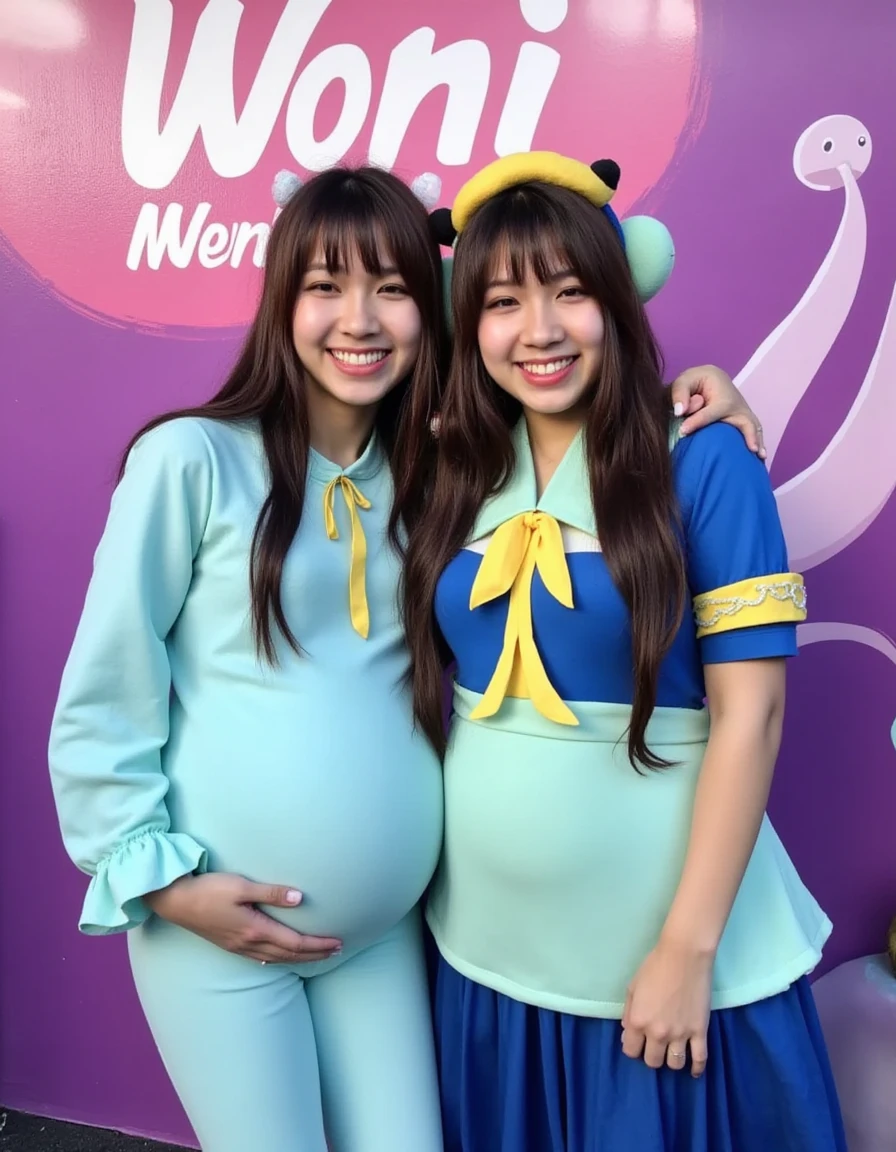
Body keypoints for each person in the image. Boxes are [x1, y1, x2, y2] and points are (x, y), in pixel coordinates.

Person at [48, 160, 761, 1152]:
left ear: (433, 311)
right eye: (324, 286)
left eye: (391, 287)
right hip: (219, 930)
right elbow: (103, 696)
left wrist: (706, 392)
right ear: (280, 300)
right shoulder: (191, 461)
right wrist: (162, 886)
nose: (360, 318)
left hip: (383, 938)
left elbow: (577, 408)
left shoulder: (445, 468)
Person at [403, 152, 846, 1152]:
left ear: (618, 294)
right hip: (482, 954)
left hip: (657, 964)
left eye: (570, 292)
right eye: (503, 302)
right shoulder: (454, 463)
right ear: (465, 320)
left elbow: (752, 713)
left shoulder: (702, 460)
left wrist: (685, 952)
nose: (539, 331)